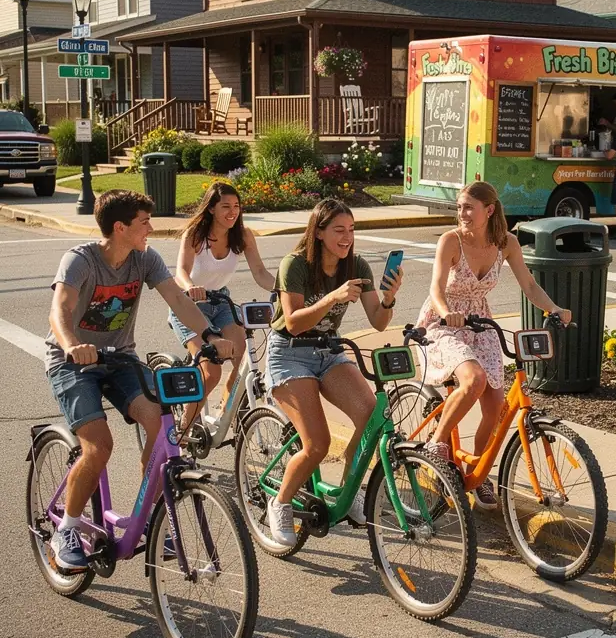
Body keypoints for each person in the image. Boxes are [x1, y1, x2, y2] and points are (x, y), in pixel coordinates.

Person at [45, 190, 233, 571]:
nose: (151, 228)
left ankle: (149, 513)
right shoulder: (80, 260)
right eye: (144, 222)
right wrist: (72, 344)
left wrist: (210, 336)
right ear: (120, 227)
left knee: (162, 422)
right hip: (71, 362)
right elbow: (60, 309)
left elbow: (178, 300)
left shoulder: (145, 258)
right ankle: (65, 527)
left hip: (120, 360)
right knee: (99, 446)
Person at [416, 181, 572, 509]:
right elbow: (436, 288)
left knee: (495, 406)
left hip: (480, 323)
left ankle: (477, 471)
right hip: (443, 323)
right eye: (459, 207)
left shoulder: (506, 244)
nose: (462, 214)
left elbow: (529, 285)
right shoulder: (450, 241)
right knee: (474, 381)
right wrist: (447, 314)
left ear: (489, 211)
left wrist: (554, 309)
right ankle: (436, 446)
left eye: (468, 207)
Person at [265, 198, 403, 547]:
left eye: (351, 230)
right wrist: (332, 298)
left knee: (371, 417)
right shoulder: (294, 264)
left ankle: (350, 490)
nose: (347, 238)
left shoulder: (356, 265)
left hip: (329, 351)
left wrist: (388, 298)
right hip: (290, 354)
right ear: (320, 232)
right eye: (339, 230)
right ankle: (279, 503)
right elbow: (294, 323)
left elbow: (378, 321)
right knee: (317, 444)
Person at [170, 181, 277, 432]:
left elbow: (260, 272)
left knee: (244, 360)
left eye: (237, 206)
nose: (232, 212)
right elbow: (181, 271)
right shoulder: (196, 234)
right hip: (190, 304)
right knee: (212, 372)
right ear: (211, 209)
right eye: (225, 206)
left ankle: (226, 410)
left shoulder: (243, 235)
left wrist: (282, 290)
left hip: (221, 302)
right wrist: (189, 287)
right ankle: (185, 427)